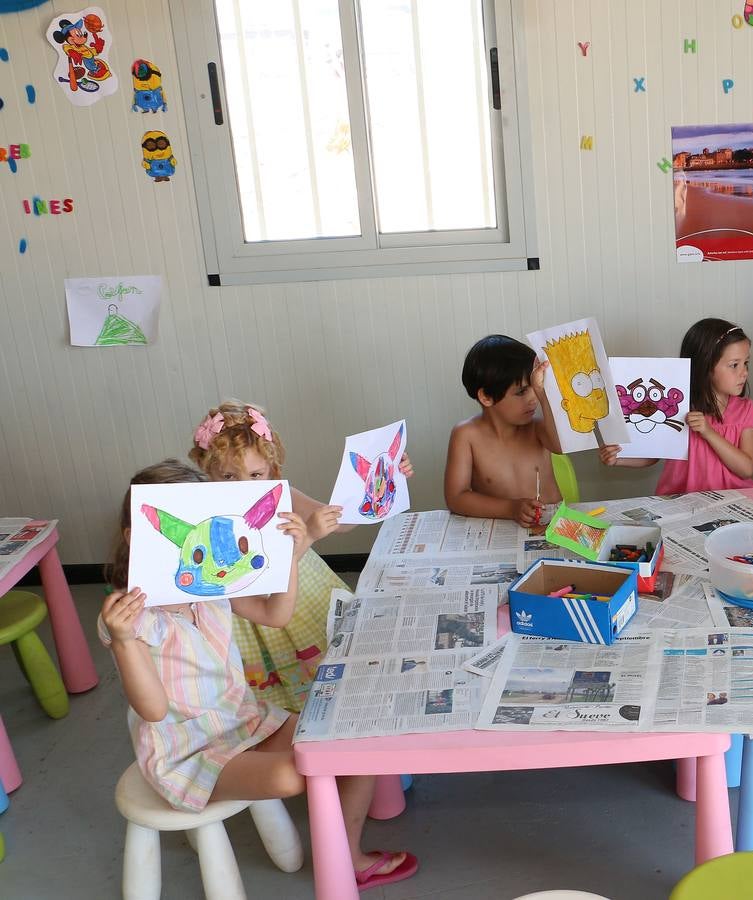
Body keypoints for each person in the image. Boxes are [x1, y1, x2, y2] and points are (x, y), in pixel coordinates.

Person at [102, 460, 416, 888]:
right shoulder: (129, 618)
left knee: (354, 743)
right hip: (187, 751)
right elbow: (154, 709)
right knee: (293, 774)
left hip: (245, 720)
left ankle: (346, 855)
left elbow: (275, 613)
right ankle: (337, 851)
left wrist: (288, 555)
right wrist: (123, 641)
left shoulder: (213, 588)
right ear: (134, 539)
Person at [189, 400, 414, 711]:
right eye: (228, 477)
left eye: (255, 474)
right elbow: (259, 576)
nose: (244, 486)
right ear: (208, 474)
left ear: (272, 471)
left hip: (305, 597)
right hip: (254, 611)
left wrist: (390, 476)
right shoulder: (206, 519)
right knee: (277, 701)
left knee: (339, 674)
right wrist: (309, 534)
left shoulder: (283, 494)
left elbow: (343, 522)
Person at [601, 318, 753, 492]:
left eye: (746, 363)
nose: (744, 372)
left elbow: (746, 469)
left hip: (733, 501)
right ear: (705, 366)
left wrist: (708, 432)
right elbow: (653, 456)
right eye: (734, 365)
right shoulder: (677, 408)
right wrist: (619, 458)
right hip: (682, 501)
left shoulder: (746, 409)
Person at [445, 335, 564, 527]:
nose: (533, 399)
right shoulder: (466, 436)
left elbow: (561, 446)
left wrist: (544, 395)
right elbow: (456, 498)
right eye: (521, 392)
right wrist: (510, 508)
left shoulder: (537, 428)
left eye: (535, 388)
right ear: (486, 397)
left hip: (552, 526)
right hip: (503, 530)